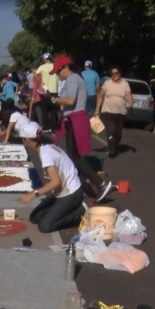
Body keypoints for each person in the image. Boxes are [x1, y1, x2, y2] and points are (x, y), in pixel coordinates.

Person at [50, 54, 114, 203]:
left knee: (75, 156)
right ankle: (81, 185)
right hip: (71, 119)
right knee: (72, 156)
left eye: (58, 72)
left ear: (65, 68)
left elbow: (70, 100)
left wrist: (53, 98)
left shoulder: (72, 79)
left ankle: (100, 183)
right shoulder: (71, 80)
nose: (58, 75)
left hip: (75, 119)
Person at [17, 128, 86, 234]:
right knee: (35, 217)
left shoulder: (46, 154)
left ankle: (80, 212)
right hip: (62, 192)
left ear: (27, 140)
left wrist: (33, 194)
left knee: (45, 226)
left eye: (23, 139)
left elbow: (55, 182)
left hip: (71, 193)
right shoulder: (46, 146)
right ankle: (63, 210)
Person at [94, 65, 133, 158]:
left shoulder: (125, 84)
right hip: (107, 112)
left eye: (116, 73)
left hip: (120, 113)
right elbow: (100, 96)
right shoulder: (107, 83)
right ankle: (112, 151)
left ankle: (114, 145)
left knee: (118, 134)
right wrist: (97, 110)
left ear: (119, 73)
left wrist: (131, 106)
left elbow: (129, 96)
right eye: (112, 74)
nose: (114, 75)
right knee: (111, 131)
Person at [36, 53, 60, 130]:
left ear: (44, 59)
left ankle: (45, 127)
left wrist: (41, 84)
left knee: (44, 110)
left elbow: (36, 76)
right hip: (55, 90)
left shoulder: (42, 67)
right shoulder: (56, 66)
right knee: (53, 109)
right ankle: (54, 127)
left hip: (45, 91)